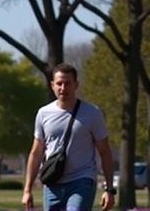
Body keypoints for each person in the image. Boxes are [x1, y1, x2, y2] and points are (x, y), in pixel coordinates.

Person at [22, 63, 116, 211]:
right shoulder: (43, 113)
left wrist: (109, 189)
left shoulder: (92, 113)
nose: (63, 88)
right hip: (52, 182)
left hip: (82, 181)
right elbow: (36, 152)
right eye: (59, 84)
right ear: (52, 85)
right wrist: (27, 190)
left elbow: (105, 151)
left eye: (67, 83)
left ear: (76, 85)